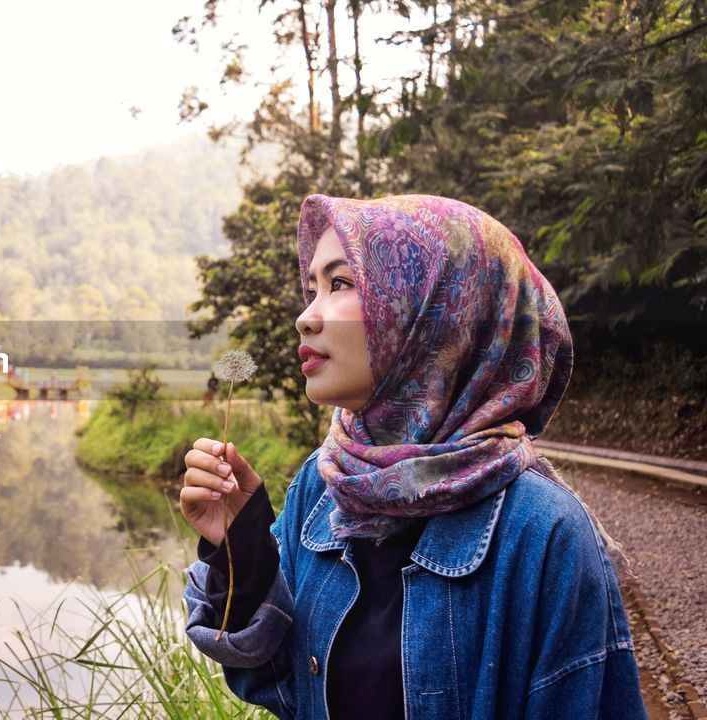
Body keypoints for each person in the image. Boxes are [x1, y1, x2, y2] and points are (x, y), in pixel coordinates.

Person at [179, 194, 646, 720]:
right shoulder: (324, 483)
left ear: (439, 313)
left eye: (341, 284)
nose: (305, 318)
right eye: (311, 289)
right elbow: (272, 684)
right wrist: (240, 544)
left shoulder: (545, 533)